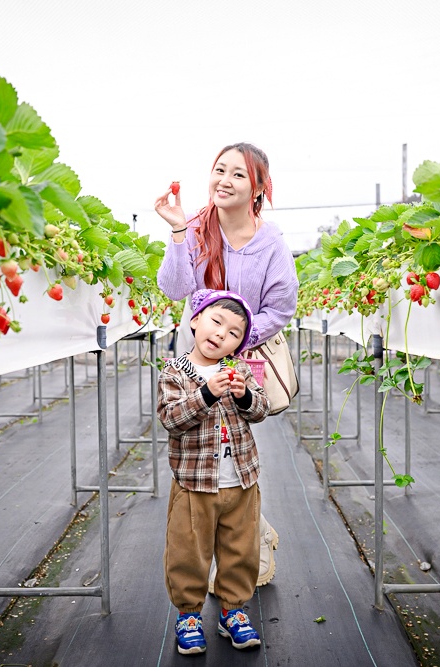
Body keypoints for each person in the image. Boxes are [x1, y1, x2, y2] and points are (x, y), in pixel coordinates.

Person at [154, 142, 299, 590]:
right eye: (219, 170)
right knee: (198, 451)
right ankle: (222, 552)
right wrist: (179, 232)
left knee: (238, 451)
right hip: (196, 356)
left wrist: (238, 341)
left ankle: (250, 540)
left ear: (258, 188)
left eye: (238, 174)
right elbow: (175, 288)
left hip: (245, 358)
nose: (225, 181)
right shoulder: (197, 228)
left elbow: (282, 306)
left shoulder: (270, 241)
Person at [157, 289, 270, 654]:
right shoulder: (176, 372)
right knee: (188, 550)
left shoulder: (236, 372)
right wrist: (206, 394)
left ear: (238, 346)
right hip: (194, 484)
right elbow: (170, 419)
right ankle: (189, 614)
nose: (222, 334)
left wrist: (244, 395)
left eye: (235, 332)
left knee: (242, 549)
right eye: (216, 321)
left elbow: (261, 410)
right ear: (194, 320)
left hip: (241, 480)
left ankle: (232, 611)